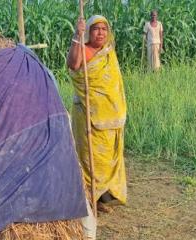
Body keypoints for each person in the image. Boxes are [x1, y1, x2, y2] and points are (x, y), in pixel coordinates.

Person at [67, 15, 127, 212]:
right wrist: (78, 33)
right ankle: (86, 199)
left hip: (110, 119)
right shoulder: (84, 50)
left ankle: (100, 198)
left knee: (106, 159)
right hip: (88, 115)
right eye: (95, 29)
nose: (100, 32)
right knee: (88, 159)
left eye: (104, 29)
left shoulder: (108, 53)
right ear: (89, 32)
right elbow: (73, 65)